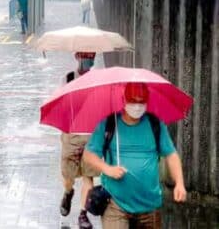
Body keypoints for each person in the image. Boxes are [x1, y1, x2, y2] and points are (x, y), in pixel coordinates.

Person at [83, 83, 187, 229]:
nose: (137, 106)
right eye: (133, 101)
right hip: (115, 203)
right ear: (124, 100)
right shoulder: (109, 123)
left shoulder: (155, 124)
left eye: (141, 101)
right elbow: (89, 155)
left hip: (149, 205)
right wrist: (107, 169)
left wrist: (180, 183)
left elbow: (171, 155)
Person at [60, 51, 97, 229]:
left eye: (91, 56)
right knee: (68, 176)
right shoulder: (68, 78)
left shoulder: (98, 80)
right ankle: (68, 192)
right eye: (84, 56)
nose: (88, 59)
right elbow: (61, 106)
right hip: (71, 135)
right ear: (76, 56)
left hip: (91, 136)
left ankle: (83, 214)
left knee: (88, 177)